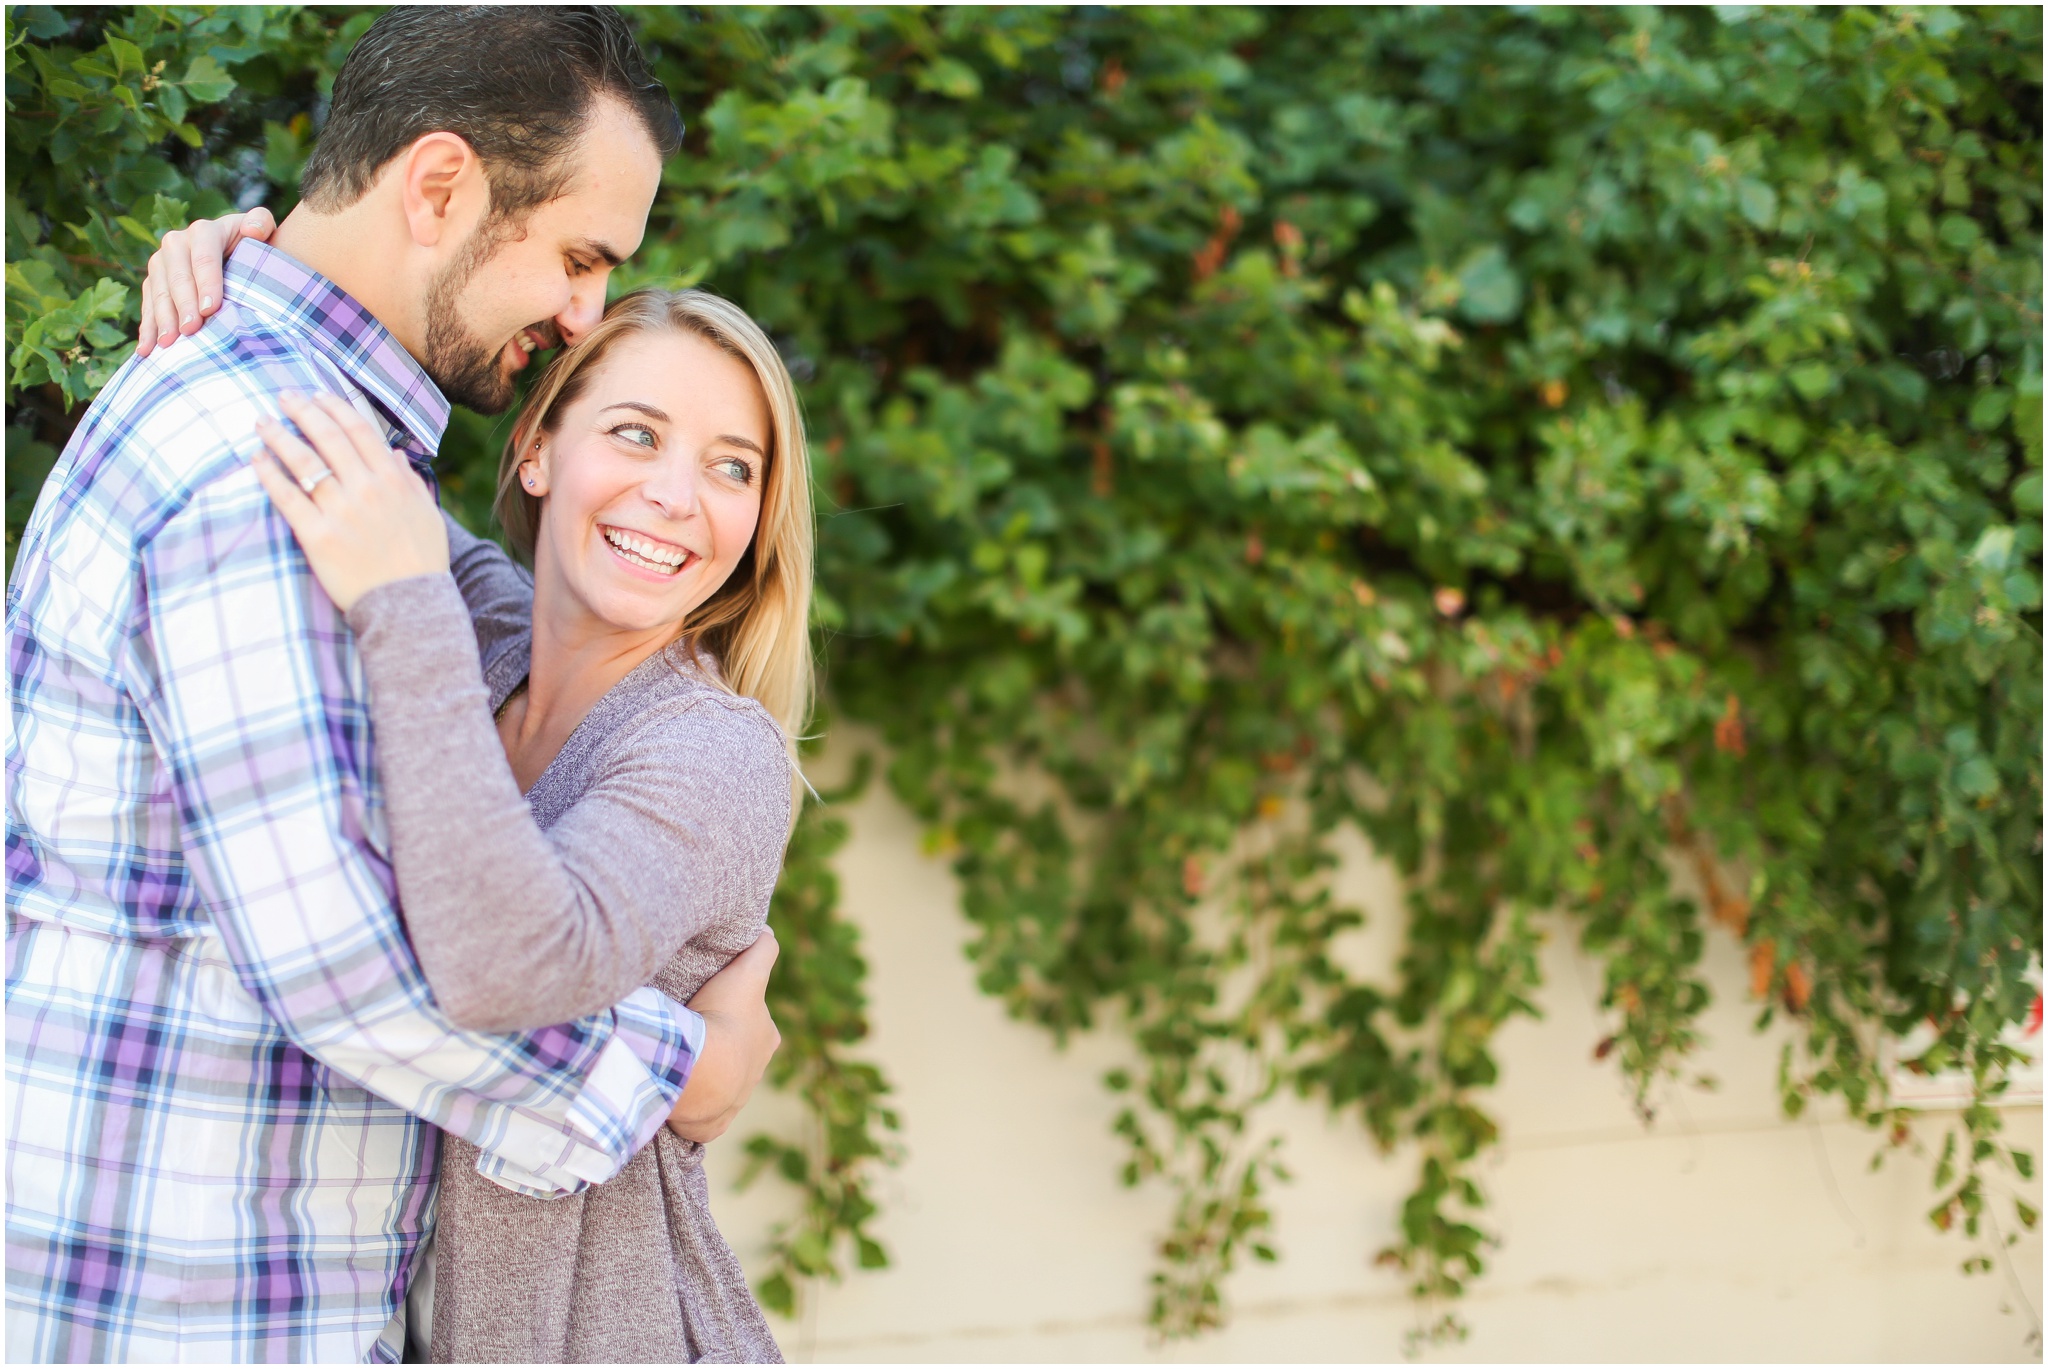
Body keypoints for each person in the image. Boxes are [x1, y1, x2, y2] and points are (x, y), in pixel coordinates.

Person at [5, 9, 779, 1362]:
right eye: (579, 255)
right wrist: (680, 1071)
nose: (585, 307)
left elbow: (458, 590)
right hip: (190, 1313)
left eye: (731, 465)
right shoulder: (274, 461)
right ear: (436, 186)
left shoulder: (315, 444)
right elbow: (350, 964)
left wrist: (237, 244)